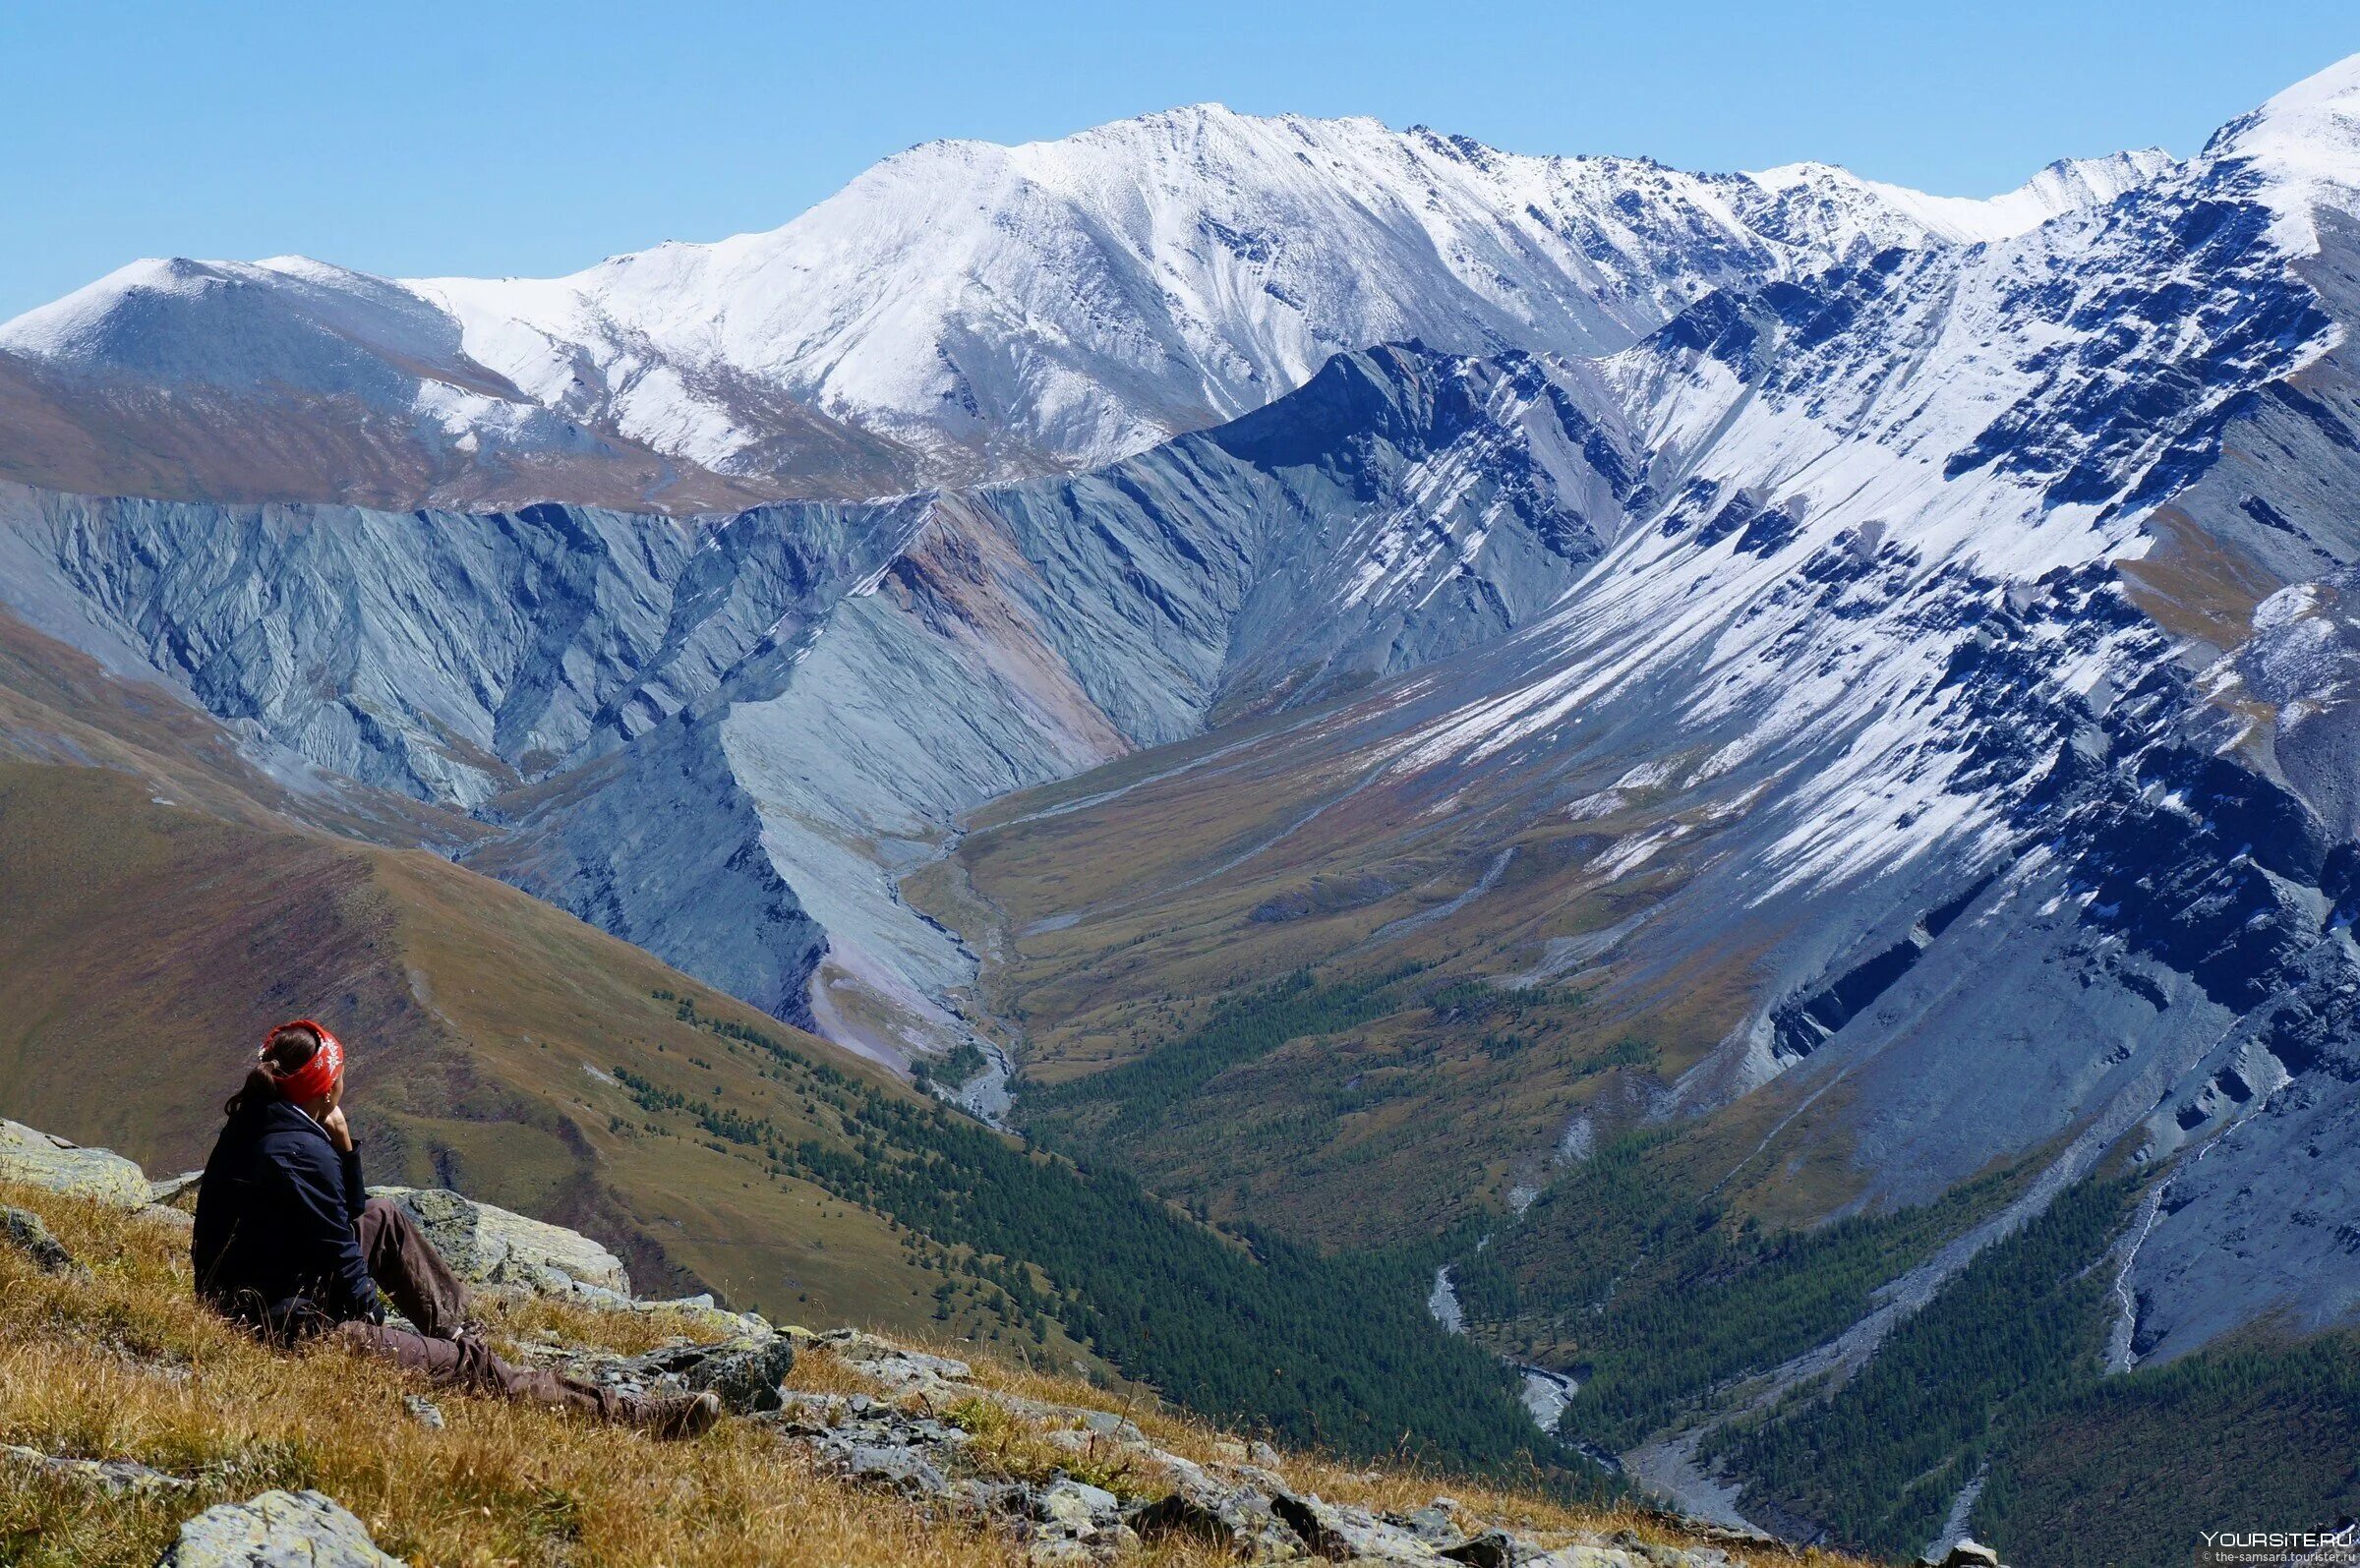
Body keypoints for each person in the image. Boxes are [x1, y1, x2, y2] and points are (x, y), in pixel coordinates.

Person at [192, 1018, 720, 1437]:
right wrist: (376, 1325)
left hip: (264, 1296)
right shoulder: (301, 1153)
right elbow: (340, 1255)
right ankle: (631, 1416)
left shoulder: (259, 1121)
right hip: (284, 1329)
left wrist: (344, 1144)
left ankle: (463, 1334)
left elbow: (347, 1214)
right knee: (472, 1370)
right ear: (327, 1088)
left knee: (385, 1218)